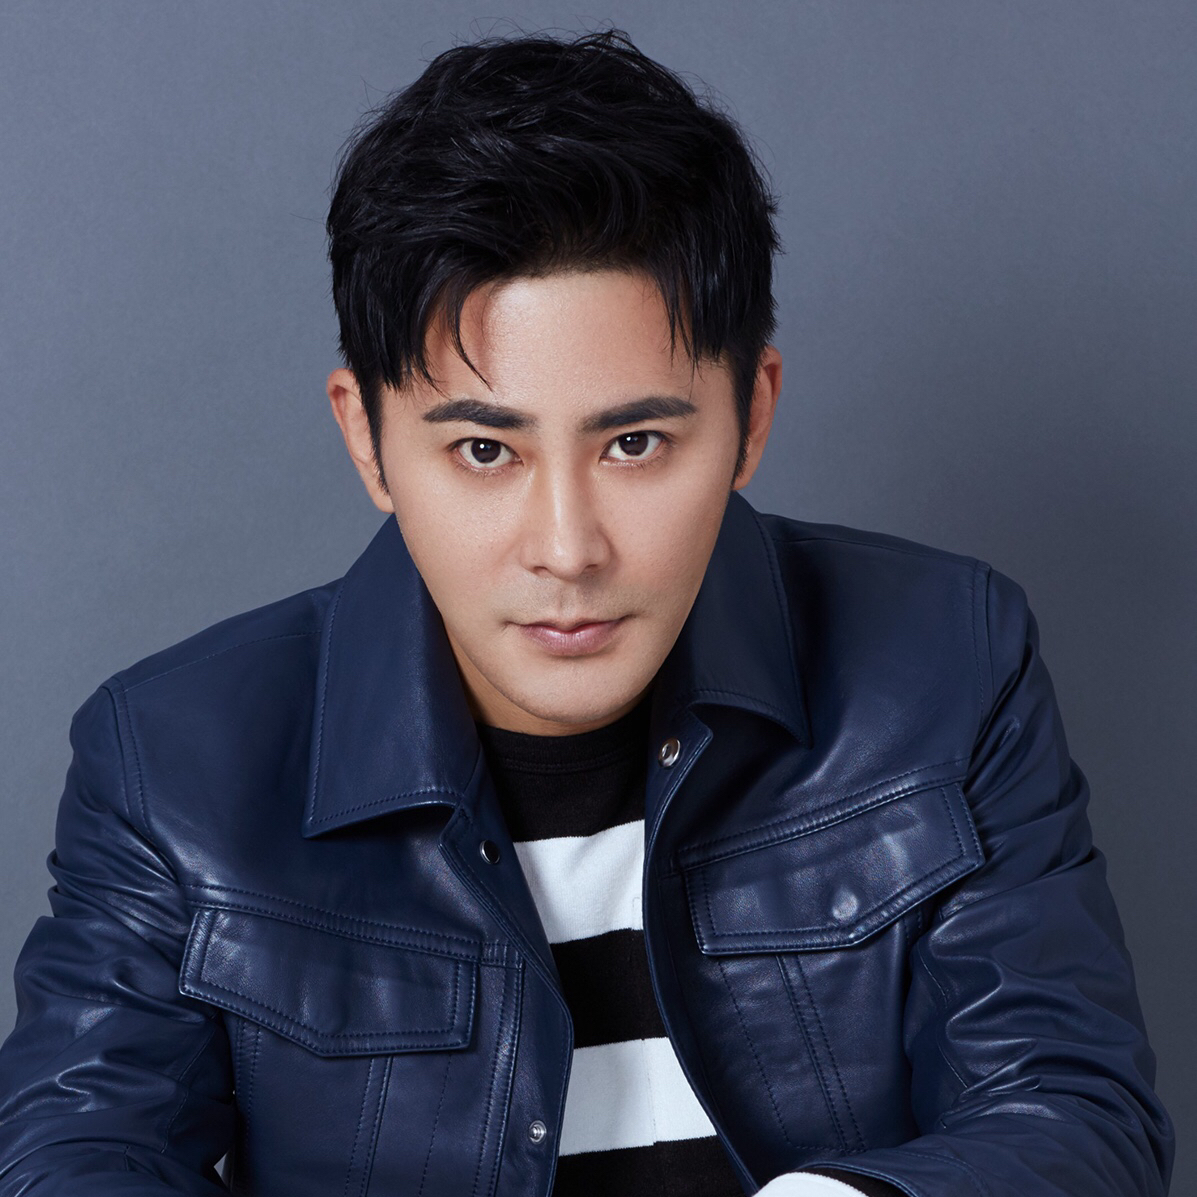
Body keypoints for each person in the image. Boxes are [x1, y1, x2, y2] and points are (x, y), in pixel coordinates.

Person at [0, 27, 1173, 1197]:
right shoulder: (172, 765)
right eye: (483, 451)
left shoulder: (948, 662)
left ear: (752, 416)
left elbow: (1072, 1114)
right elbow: (69, 1158)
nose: (567, 549)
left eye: (635, 443)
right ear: (366, 438)